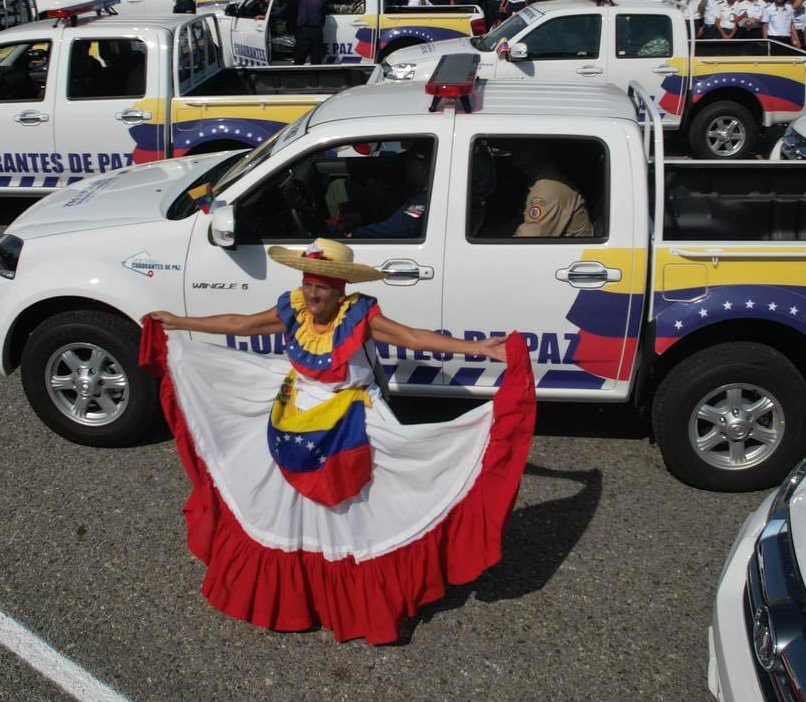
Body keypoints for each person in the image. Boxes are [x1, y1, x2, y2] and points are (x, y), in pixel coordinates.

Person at [142, 238, 536, 644]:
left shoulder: (360, 317)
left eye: (322, 287)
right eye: (309, 283)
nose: (313, 294)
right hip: (298, 416)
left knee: (362, 507)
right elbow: (241, 325)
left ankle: (361, 595)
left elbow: (413, 339)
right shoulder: (294, 309)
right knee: (289, 503)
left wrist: (477, 348)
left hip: (352, 417)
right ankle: (302, 590)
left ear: (340, 290)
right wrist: (180, 322)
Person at [511, 150, 593, 237]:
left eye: (518, 147)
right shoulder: (550, 179)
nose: (514, 154)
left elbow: (529, 239)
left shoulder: (546, 189)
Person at [286, 0, 326, 64]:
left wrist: (271, 14)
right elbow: (323, 20)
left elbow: (287, 11)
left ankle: (298, 73)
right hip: (316, 32)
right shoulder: (321, 0)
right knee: (316, 60)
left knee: (299, 58)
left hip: (303, 32)